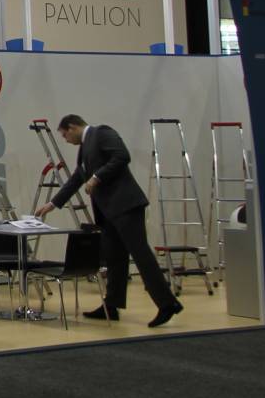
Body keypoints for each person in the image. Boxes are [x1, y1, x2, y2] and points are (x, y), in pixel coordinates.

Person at [35, 114, 183, 327]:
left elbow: (122, 156)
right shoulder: (84, 149)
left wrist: (97, 177)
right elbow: (77, 178)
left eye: (65, 135)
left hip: (125, 206)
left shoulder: (101, 133)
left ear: (73, 126)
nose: (66, 140)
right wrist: (52, 204)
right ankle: (112, 305)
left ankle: (167, 303)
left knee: (141, 254)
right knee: (114, 258)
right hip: (109, 212)